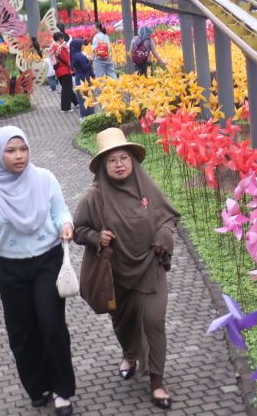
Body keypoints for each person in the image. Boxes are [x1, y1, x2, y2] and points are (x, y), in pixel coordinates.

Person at [0, 127, 77, 416]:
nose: (19, 156)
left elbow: (60, 212)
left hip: (47, 262)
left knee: (51, 323)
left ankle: (62, 390)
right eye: (11, 150)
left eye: (23, 149)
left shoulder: (45, 179)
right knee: (22, 331)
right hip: (11, 268)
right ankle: (37, 385)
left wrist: (66, 224)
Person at [74, 128, 179, 410]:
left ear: (132, 160)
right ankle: (129, 354)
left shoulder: (147, 187)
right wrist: (97, 237)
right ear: (103, 166)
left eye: (124, 158)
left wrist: (164, 234)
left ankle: (157, 382)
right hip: (116, 273)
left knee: (154, 322)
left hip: (150, 266)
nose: (119, 164)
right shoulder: (94, 197)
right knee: (123, 323)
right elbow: (78, 230)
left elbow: (168, 216)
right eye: (112, 160)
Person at [51, 32, 76, 113]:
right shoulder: (61, 48)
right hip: (65, 70)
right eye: (63, 38)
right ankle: (65, 107)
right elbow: (67, 60)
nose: (64, 40)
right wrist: (73, 68)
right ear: (60, 38)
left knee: (67, 88)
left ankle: (76, 102)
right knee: (66, 89)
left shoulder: (53, 47)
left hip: (58, 70)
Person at [69, 38, 95, 118]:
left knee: (81, 96)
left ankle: (82, 114)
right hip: (84, 78)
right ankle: (89, 113)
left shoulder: (73, 55)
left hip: (78, 77)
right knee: (88, 95)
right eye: (81, 44)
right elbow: (85, 67)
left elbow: (72, 68)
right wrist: (90, 61)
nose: (82, 46)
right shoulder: (80, 56)